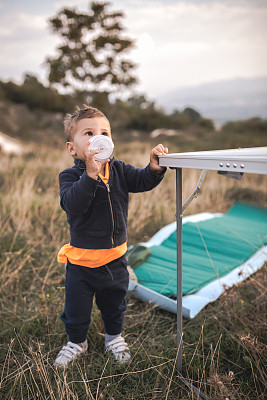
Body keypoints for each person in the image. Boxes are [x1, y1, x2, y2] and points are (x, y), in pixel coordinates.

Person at [54, 105, 168, 368]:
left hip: (115, 259)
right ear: (72, 148)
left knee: (114, 304)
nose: (98, 137)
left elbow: (141, 182)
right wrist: (91, 175)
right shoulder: (70, 176)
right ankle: (76, 341)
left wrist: (153, 169)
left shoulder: (119, 170)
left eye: (104, 132)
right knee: (76, 310)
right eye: (89, 132)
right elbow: (72, 204)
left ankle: (113, 337)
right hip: (81, 263)